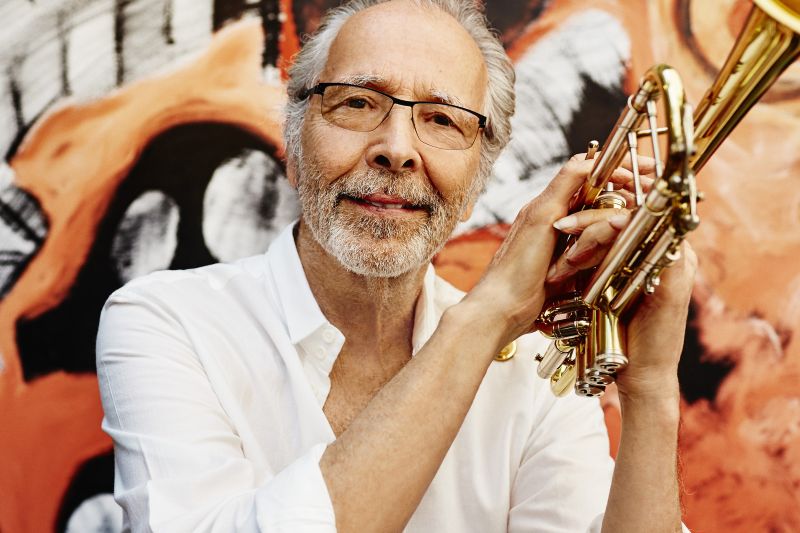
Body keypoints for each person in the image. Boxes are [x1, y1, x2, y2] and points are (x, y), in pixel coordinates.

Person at [96, 0, 696, 531]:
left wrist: (649, 389)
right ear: (294, 142)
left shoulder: (537, 369)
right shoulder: (166, 321)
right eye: (357, 102)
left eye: (442, 118)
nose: (398, 149)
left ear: (476, 179)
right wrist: (485, 315)